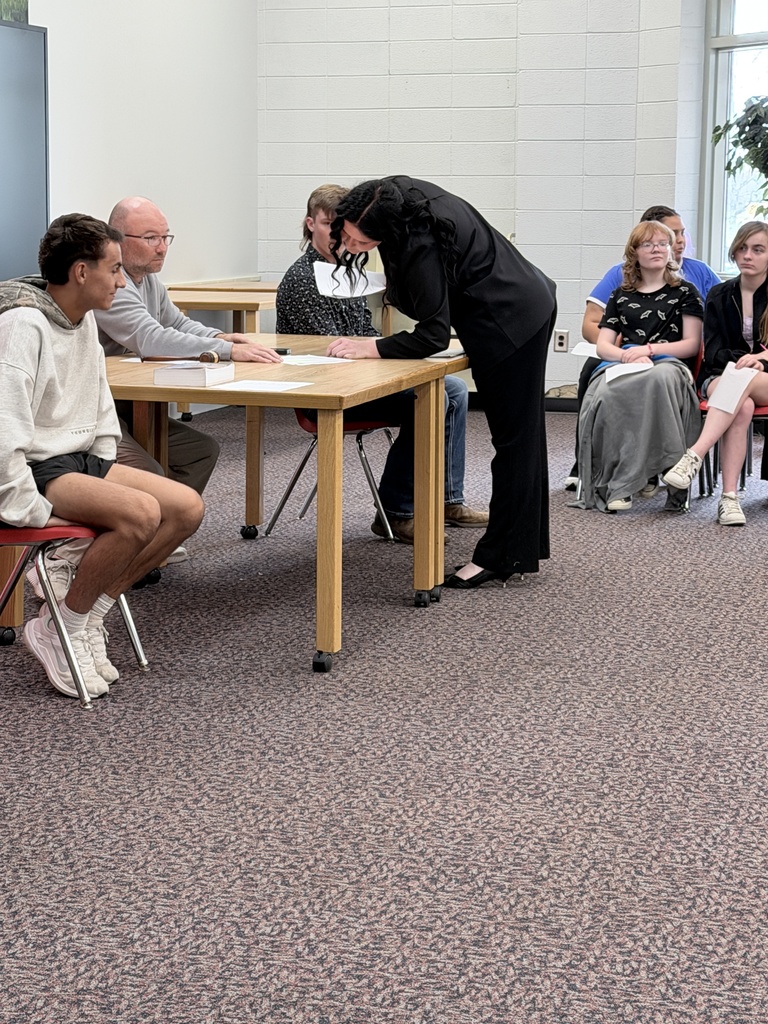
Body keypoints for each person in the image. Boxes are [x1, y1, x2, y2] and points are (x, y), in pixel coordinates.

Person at [0, 214, 204, 698]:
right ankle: (62, 626)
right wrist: (23, 505)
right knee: (140, 514)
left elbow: (99, 403)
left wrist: (106, 460)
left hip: (76, 458)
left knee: (185, 510)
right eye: (113, 270)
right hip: (36, 465)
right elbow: (5, 426)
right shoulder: (23, 325)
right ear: (81, 272)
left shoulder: (82, 320)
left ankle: (85, 613)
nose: (121, 280)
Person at [323, 176, 557, 589]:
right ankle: (521, 548)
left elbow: (432, 334)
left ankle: (500, 557)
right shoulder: (393, 196)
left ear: (389, 231)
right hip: (522, 297)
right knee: (524, 437)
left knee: (515, 441)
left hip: (510, 319)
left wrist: (372, 348)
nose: (354, 248)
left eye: (363, 243)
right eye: (348, 237)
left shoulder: (417, 239)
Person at [276, 183, 488, 543]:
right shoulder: (303, 279)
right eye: (331, 225)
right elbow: (332, 351)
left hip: (361, 379)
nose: (340, 234)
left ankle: (447, 499)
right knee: (436, 396)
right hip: (325, 389)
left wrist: (382, 352)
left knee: (452, 389)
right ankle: (396, 510)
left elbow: (364, 337)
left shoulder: (345, 271)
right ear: (311, 224)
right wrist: (378, 353)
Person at [565, 205, 720, 490]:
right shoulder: (620, 280)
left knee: (657, 379)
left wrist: (650, 349)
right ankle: (589, 462)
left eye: (677, 236)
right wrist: (622, 350)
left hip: (678, 356)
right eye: (672, 233)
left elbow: (711, 328)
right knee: (593, 376)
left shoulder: (696, 278)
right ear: (638, 247)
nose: (680, 240)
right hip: (626, 353)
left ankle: (655, 465)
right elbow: (592, 325)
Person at [661, 220, 768, 525]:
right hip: (721, 375)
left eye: (758, 250)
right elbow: (715, 350)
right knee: (742, 405)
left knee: (743, 381)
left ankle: (694, 454)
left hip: (764, 378)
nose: (748, 255)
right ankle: (730, 499)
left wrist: (760, 360)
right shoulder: (720, 293)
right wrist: (746, 360)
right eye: (743, 249)